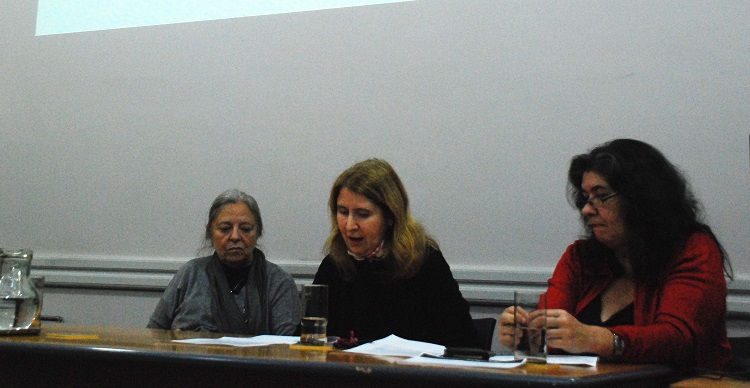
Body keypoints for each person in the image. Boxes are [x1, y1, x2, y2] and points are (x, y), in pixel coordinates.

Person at [498, 139, 733, 372]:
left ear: (641, 199)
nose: (587, 210)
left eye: (601, 196)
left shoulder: (693, 250)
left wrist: (600, 339)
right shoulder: (580, 257)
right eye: (586, 198)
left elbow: (676, 340)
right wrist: (526, 334)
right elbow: (554, 335)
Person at [313, 158, 477, 347]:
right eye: (343, 212)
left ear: (390, 216)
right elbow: (306, 340)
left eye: (363, 214)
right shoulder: (334, 265)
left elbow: (464, 344)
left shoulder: (424, 264)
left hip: (412, 376)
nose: (350, 225)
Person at [147, 189, 300, 334]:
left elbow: (288, 349)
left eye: (245, 229)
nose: (235, 236)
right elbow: (153, 334)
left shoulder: (278, 282)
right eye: (225, 229)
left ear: (258, 232)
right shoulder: (190, 274)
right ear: (210, 233)